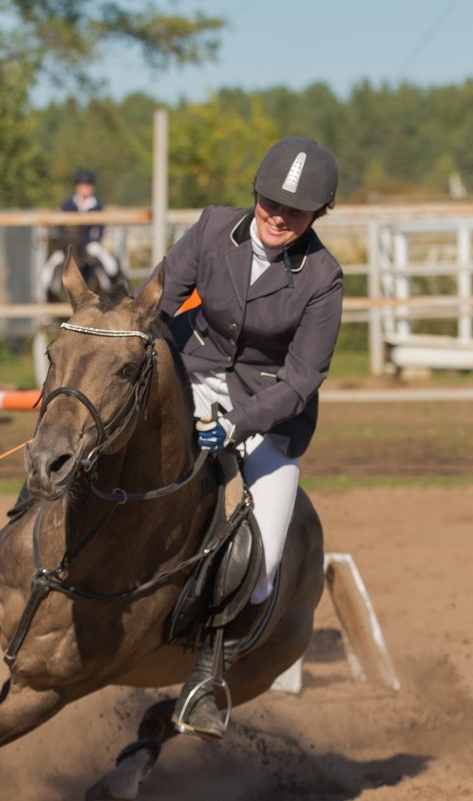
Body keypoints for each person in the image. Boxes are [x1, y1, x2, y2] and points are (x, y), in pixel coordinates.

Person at [158, 136, 342, 741]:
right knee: (91, 436)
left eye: (295, 211)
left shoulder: (322, 277)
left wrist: (238, 424)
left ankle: (207, 680)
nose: (278, 216)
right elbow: (159, 302)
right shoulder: (213, 228)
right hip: (189, 373)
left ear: (316, 216)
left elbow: (301, 380)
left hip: (266, 411)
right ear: (256, 195)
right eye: (270, 202)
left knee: (262, 563)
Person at [57, 169, 124, 291]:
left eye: (88, 185)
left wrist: (90, 240)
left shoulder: (97, 206)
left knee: (110, 264)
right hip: (70, 245)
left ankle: (118, 289)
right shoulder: (67, 206)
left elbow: (100, 229)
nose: (85, 188)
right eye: (82, 185)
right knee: (49, 268)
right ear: (76, 187)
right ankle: (44, 294)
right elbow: (60, 227)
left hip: (90, 243)